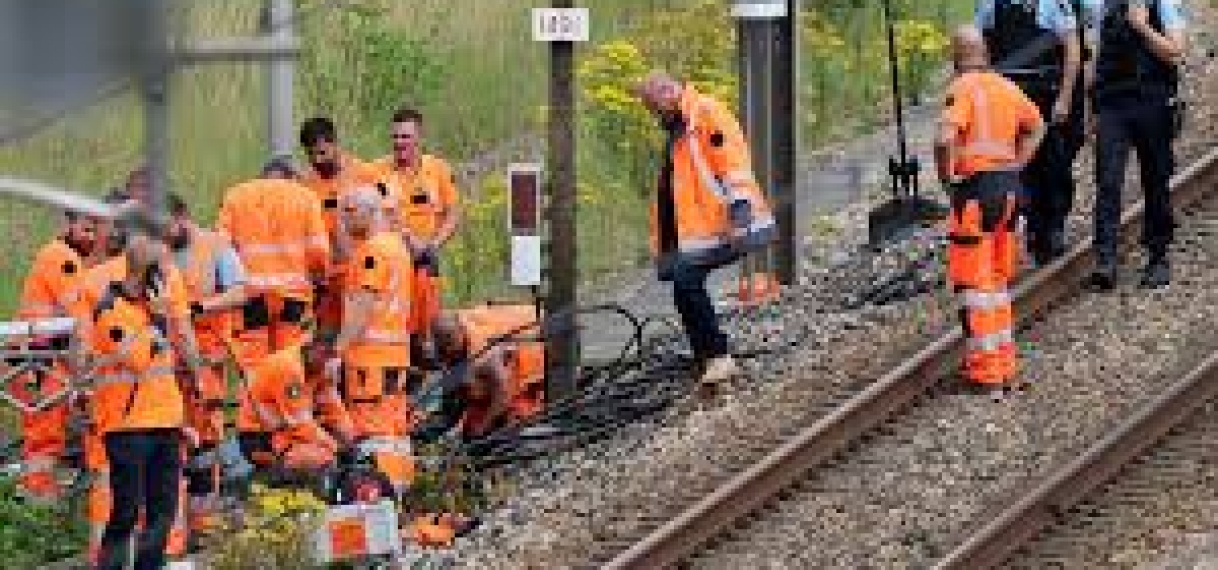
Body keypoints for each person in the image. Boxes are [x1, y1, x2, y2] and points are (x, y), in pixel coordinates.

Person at [632, 71, 776, 387]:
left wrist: (740, 214)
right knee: (684, 286)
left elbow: (732, 163)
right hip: (704, 230)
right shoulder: (682, 125)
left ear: (667, 91)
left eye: (655, 107)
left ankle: (717, 356)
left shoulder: (705, 113)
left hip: (727, 223)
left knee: (686, 283)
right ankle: (707, 357)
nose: (655, 115)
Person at [934, 25, 1047, 390]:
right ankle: (1004, 364)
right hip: (1010, 192)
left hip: (975, 194)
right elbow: (1037, 126)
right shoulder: (1006, 87)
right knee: (997, 284)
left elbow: (944, 138)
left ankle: (984, 373)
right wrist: (1016, 164)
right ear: (985, 53)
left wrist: (946, 177)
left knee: (975, 288)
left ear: (956, 57)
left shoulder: (961, 89)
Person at [81, 232, 200, 570]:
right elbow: (137, 358)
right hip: (128, 426)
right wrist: (158, 317)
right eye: (157, 272)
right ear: (140, 275)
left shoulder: (154, 309)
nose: (164, 280)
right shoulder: (110, 308)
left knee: (163, 512)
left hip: (165, 422)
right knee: (126, 511)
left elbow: (173, 359)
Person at [162, 193, 251, 533]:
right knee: (172, 441)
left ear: (183, 216)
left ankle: (202, 525)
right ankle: (175, 525)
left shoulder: (216, 246)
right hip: (169, 365)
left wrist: (202, 307)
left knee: (205, 444)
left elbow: (241, 292)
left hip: (207, 363)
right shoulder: (156, 251)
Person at [1086, 0, 1187, 289]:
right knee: (1108, 180)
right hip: (1112, 104)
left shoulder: (1163, 3)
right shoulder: (1101, 5)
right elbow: (1096, 56)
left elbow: (1175, 52)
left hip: (1152, 99)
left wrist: (1141, 26)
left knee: (1155, 179)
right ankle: (1105, 260)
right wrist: (1090, 108)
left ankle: (1158, 256)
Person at [978, 0, 1085, 265]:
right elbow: (979, 48)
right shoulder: (992, 5)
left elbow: (1073, 52)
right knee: (1021, 170)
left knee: (1054, 166)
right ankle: (1036, 230)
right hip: (1009, 98)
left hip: (1046, 96)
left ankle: (1055, 225)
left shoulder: (1054, 4)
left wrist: (1064, 97)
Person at [330, 185, 417, 492]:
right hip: (394, 356)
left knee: (372, 431)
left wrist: (338, 352)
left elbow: (363, 305)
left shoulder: (373, 252)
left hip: (370, 360)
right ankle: (400, 491)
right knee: (394, 430)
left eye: (347, 213)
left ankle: (378, 498)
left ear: (367, 212)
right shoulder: (396, 248)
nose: (343, 222)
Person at [11, 210, 96, 501]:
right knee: (44, 441)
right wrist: (84, 376)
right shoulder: (64, 259)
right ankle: (39, 508)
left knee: (43, 440)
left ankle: (40, 503)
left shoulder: (54, 256)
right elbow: (79, 323)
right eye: (86, 230)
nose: (92, 237)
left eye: (95, 230)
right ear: (67, 226)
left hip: (36, 359)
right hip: (42, 361)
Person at [216, 159, 330, 366]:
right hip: (292, 296)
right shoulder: (305, 197)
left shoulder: (236, 195)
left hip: (250, 294)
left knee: (253, 363)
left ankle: (253, 398)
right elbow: (319, 251)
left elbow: (221, 247)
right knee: (289, 361)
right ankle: (285, 398)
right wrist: (319, 280)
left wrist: (230, 289)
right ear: (291, 179)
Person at [372, 108, 462, 365]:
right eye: (395, 137)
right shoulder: (376, 171)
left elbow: (452, 213)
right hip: (391, 261)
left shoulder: (438, 170)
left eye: (405, 137)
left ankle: (426, 355)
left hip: (425, 259)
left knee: (428, 325)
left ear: (419, 137)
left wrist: (434, 245)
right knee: (395, 324)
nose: (399, 143)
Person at [432, 305, 545, 439]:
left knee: (513, 424)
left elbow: (503, 394)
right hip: (488, 387)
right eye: (442, 346)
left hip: (529, 361)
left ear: (460, 333)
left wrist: (484, 425)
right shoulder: (446, 345)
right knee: (470, 428)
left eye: (449, 343)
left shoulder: (484, 355)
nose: (446, 350)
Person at [237, 336, 346, 474]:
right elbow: (299, 423)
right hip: (260, 439)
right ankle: (282, 479)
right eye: (331, 356)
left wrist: (350, 437)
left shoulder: (316, 367)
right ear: (317, 350)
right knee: (325, 458)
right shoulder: (288, 369)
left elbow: (333, 407)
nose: (333, 363)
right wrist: (336, 447)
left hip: (286, 433)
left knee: (334, 444)